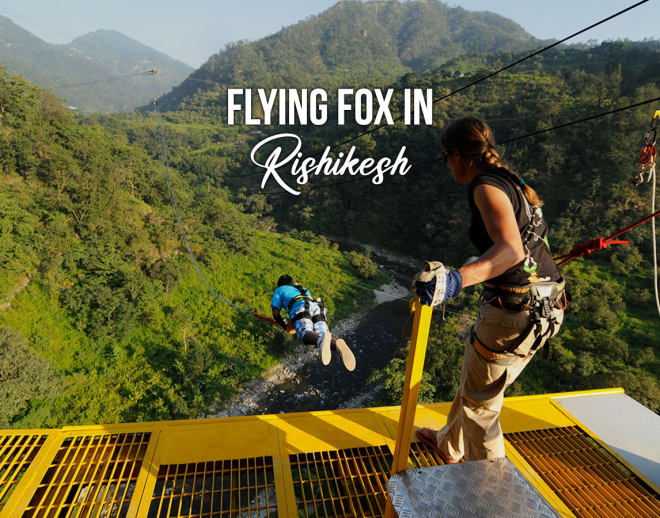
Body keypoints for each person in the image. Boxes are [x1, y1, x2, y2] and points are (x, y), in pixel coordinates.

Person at [414, 117, 567, 463]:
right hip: (549, 306)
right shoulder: (511, 181)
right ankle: (450, 444)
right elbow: (526, 246)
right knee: (477, 388)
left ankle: (489, 497)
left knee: (481, 409)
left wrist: (454, 280)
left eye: (445, 156)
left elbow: (511, 250)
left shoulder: (484, 186)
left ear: (457, 154)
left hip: (513, 314)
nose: (446, 164)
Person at [271, 274, 356, 371]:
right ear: (291, 282)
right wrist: (290, 325)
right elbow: (297, 315)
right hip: (316, 308)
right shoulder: (301, 288)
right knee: (322, 334)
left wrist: (283, 325)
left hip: (300, 308)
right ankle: (337, 344)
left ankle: (320, 341)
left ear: (280, 284)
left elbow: (276, 313)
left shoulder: (279, 290)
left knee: (305, 333)